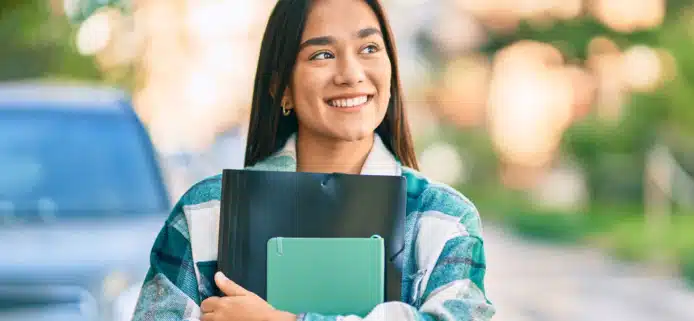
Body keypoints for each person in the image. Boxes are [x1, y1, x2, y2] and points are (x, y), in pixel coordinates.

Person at [131, 0, 495, 320]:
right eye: (322, 54)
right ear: (281, 88)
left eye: (369, 47)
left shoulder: (444, 220)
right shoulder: (206, 212)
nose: (351, 74)